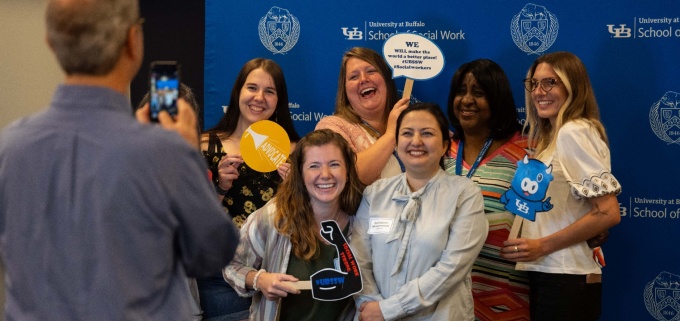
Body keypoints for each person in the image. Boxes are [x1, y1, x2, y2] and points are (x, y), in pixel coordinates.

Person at [0, 0, 239, 320]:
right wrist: (185, 156)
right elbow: (213, 252)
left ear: (50, 44)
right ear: (133, 40)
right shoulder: (164, 153)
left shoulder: (9, 147)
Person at [500, 51, 621, 321]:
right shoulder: (553, 137)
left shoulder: (573, 131)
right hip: (553, 275)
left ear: (573, 87)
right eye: (534, 84)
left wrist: (541, 246)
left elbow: (608, 212)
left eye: (550, 82)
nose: (539, 92)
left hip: (565, 277)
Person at [352, 102, 489, 321]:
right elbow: (358, 260)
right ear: (396, 144)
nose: (416, 141)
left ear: (445, 145)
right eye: (407, 133)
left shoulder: (465, 194)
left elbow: (452, 268)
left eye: (427, 133)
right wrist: (370, 305)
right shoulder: (374, 194)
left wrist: (389, 310)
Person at [223, 129, 365, 321]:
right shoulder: (274, 216)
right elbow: (231, 264)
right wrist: (260, 280)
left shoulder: (363, 220)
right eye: (314, 166)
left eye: (334, 164)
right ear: (300, 174)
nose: (325, 174)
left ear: (348, 171)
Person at [198, 58, 300, 321]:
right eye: (252, 88)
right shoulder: (208, 145)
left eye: (270, 91)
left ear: (280, 99)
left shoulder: (297, 152)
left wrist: (297, 189)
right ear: (238, 93)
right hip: (221, 275)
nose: (259, 98)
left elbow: (313, 217)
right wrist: (219, 187)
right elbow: (193, 221)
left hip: (278, 271)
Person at [444, 59, 531, 320]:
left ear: (497, 99)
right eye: (461, 91)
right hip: (446, 296)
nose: (467, 100)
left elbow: (552, 211)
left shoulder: (526, 152)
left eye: (478, 93)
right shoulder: (440, 150)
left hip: (504, 296)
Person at [315, 47, 410, 185]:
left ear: (387, 80)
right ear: (345, 90)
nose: (364, 79)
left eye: (371, 71)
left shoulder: (411, 123)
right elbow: (351, 177)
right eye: (354, 77)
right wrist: (391, 134)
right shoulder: (331, 128)